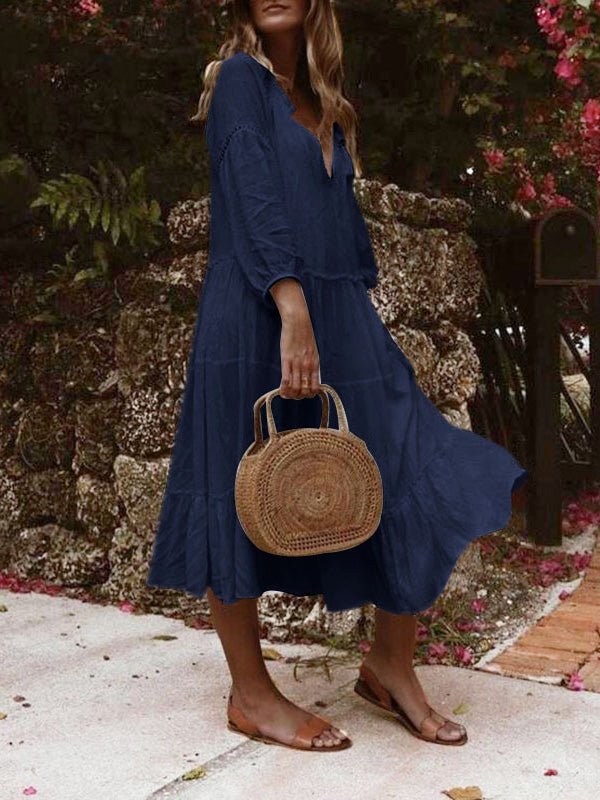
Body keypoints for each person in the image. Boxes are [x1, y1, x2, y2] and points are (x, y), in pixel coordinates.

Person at [147, 0, 528, 752]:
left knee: (409, 460)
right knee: (233, 485)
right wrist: (291, 306)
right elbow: (252, 199)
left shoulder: (326, 102)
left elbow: (340, 222)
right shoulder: (239, 80)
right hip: (257, 305)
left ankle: (389, 665)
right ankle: (252, 694)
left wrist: (348, 313)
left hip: (339, 309)